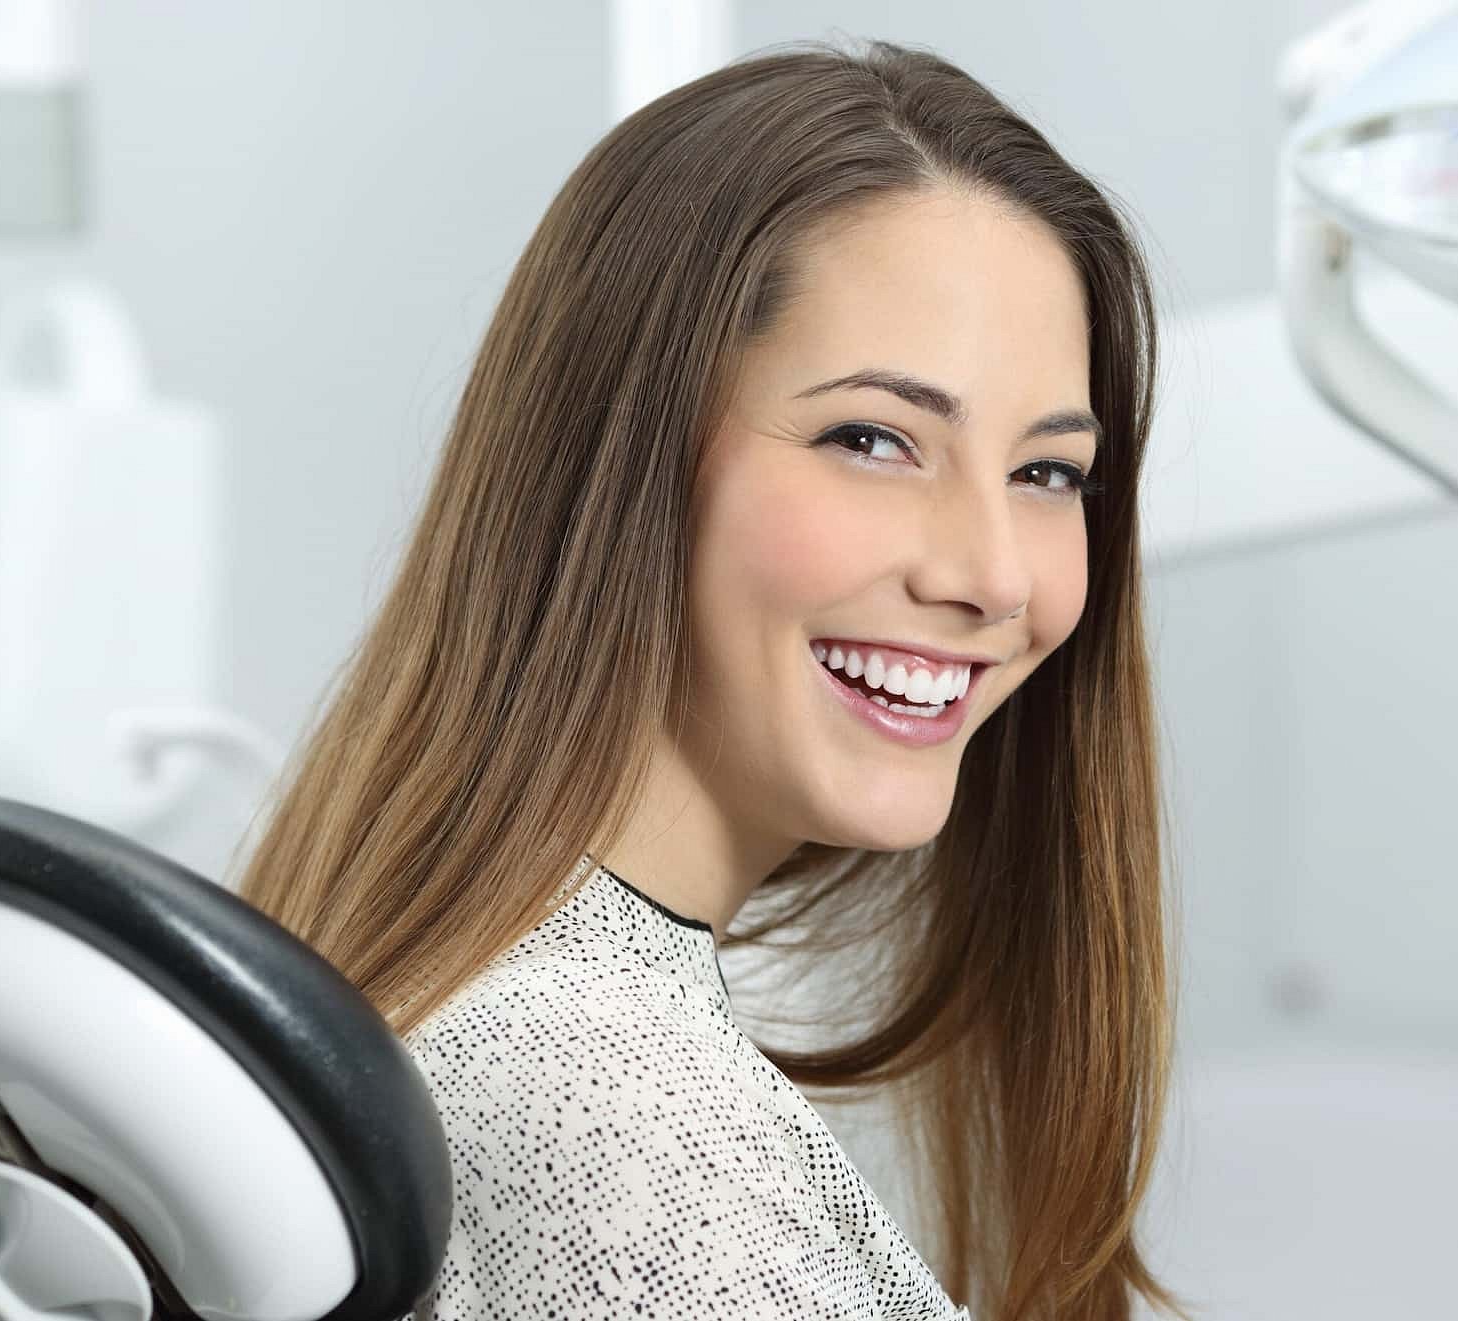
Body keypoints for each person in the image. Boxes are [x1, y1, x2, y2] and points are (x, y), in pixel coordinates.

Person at [236, 37, 1182, 1321]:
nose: (996, 575)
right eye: (874, 439)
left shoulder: (484, 1001)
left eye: (1047, 472)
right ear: (621, 459)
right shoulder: (623, 1114)